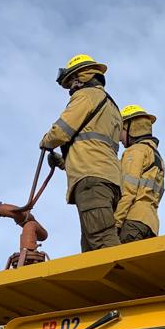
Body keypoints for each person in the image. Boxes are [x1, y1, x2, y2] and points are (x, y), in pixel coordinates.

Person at [39, 54, 122, 252]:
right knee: (91, 248)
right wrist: (62, 161)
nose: (71, 88)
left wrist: (45, 142)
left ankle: (126, 273)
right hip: (108, 179)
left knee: (102, 242)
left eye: (71, 82)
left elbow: (60, 132)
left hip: (91, 180)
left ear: (81, 76)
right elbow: (93, 147)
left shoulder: (86, 96)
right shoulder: (112, 107)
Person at [115, 105, 165, 244]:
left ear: (131, 128)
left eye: (121, 130)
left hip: (132, 220)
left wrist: (115, 223)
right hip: (150, 224)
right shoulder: (156, 155)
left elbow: (128, 192)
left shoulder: (135, 151)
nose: (119, 138)